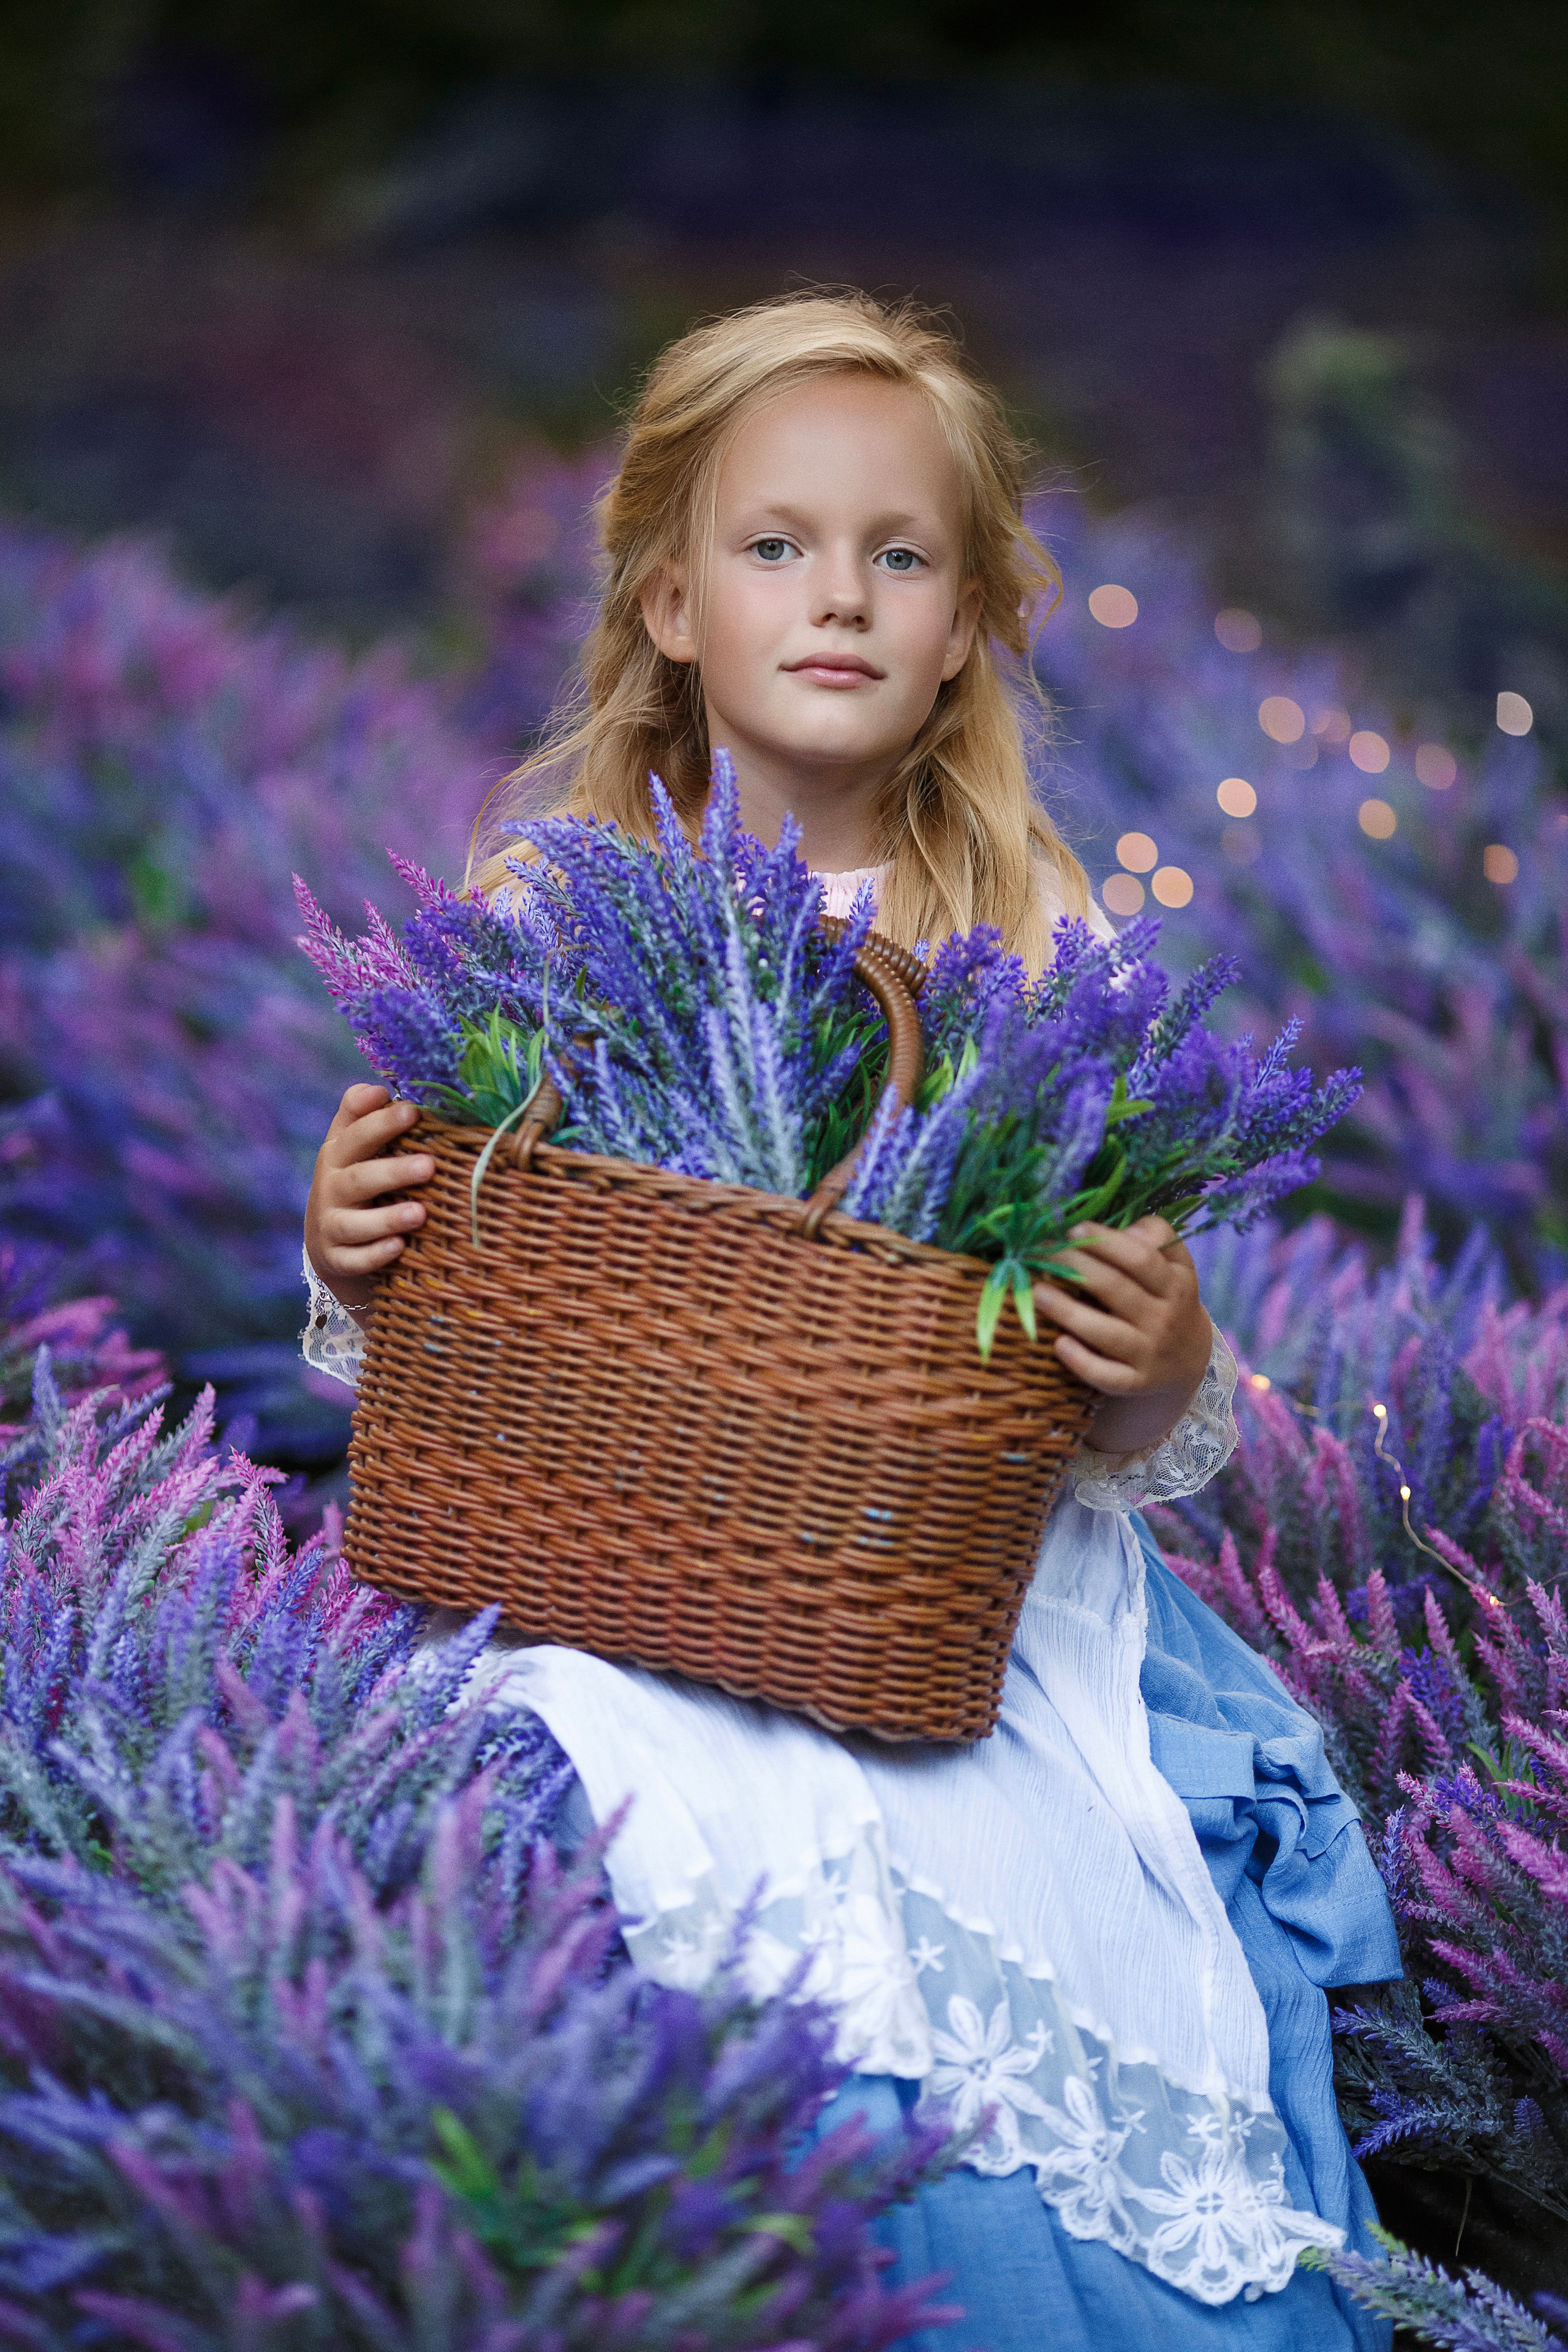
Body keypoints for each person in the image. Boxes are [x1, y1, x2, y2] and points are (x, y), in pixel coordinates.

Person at [300, 293, 1401, 2351]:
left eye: (902, 557)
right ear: (670, 603)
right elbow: (471, 1306)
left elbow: (1148, 1404)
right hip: (621, 1550)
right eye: (777, 547)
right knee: (612, 1780)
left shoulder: (1034, 931)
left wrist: (1156, 1362)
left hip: (931, 1592)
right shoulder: (555, 899)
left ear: (973, 617)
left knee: (997, 1875)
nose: (842, 597)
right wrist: (358, 1252)